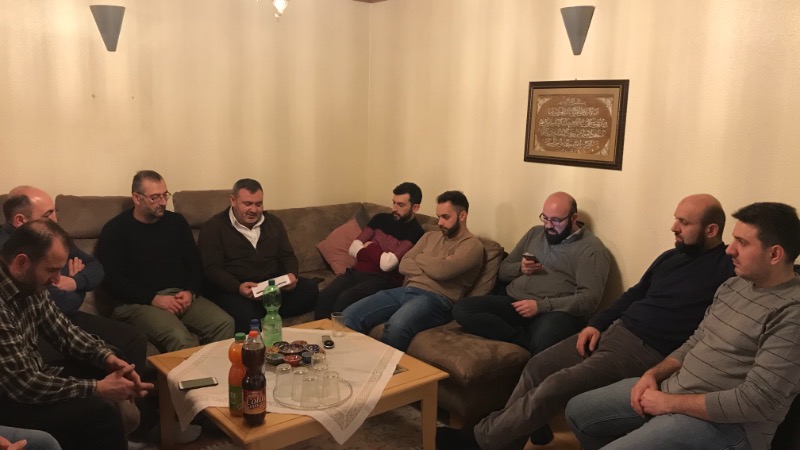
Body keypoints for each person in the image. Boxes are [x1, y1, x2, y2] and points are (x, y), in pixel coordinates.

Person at [435, 193, 736, 450]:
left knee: (557, 384)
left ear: (711, 230)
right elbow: (633, 294)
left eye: (684, 222)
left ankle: (480, 440)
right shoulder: (670, 257)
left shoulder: (727, 269)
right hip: (613, 330)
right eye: (676, 219)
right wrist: (596, 324)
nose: (674, 227)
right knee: (537, 366)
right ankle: (504, 441)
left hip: (645, 348)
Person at [565, 202, 800, 450]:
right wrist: (652, 374)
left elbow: (756, 402)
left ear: (774, 255)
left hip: (729, 427)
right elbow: (696, 340)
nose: (730, 249)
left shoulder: (791, 312)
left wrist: (668, 404)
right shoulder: (733, 285)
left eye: (742, 243)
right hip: (674, 391)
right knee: (578, 411)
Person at [0, 220, 153, 450]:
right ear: (21, 262)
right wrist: (97, 388)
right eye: (51, 270)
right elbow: (24, 384)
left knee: (111, 360)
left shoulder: (29, 284)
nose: (57, 280)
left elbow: (65, 333)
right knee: (101, 413)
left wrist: (108, 358)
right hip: (9, 400)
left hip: (30, 379)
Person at [0, 186, 148, 372]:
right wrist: (78, 291)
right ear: (20, 220)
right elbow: (61, 303)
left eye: (55, 211)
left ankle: (132, 388)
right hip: (37, 329)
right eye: (48, 214)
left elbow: (96, 267)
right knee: (95, 363)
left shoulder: (51, 236)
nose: (56, 219)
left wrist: (74, 282)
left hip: (61, 318)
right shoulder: (11, 255)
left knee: (133, 339)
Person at [453, 191, 610, 355]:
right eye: (545, 218)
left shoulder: (592, 249)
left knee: (544, 339)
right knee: (462, 309)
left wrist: (540, 306)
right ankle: (523, 341)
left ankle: (531, 346)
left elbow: (589, 300)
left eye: (556, 220)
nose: (548, 226)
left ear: (573, 218)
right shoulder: (535, 233)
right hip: (515, 302)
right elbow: (503, 271)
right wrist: (520, 268)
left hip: (553, 311)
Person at [96, 170, 234, 352]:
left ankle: (215, 370)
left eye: (164, 195)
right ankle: (190, 372)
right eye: (155, 197)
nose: (162, 202)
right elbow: (111, 279)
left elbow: (194, 263)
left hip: (179, 295)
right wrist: (154, 299)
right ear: (137, 198)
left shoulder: (176, 222)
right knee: (179, 337)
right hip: (137, 302)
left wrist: (190, 291)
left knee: (224, 323)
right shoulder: (116, 229)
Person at [343, 190, 484, 352]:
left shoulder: (472, 245)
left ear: (462, 216)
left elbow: (442, 271)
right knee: (349, 315)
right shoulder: (430, 236)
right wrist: (436, 263)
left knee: (396, 326)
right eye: (438, 217)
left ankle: (382, 367)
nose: (440, 223)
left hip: (436, 300)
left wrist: (420, 257)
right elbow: (404, 264)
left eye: (445, 217)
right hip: (405, 290)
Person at [197, 178, 319, 333]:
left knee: (310, 289)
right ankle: (264, 311)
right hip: (236, 289)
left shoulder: (273, 222)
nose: (254, 210)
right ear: (233, 201)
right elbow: (212, 268)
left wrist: (291, 275)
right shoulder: (213, 227)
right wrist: (238, 287)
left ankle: (264, 309)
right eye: (248, 204)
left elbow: (287, 255)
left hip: (271, 286)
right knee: (247, 316)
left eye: (258, 204)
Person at [314, 182, 426, 320]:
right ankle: (318, 332)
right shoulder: (380, 219)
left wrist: (370, 246)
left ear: (415, 207)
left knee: (345, 299)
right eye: (394, 203)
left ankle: (337, 333)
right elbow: (353, 248)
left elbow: (387, 265)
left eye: (401, 205)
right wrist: (380, 254)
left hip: (383, 279)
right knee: (325, 296)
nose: (394, 209)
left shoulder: (415, 232)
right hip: (356, 271)